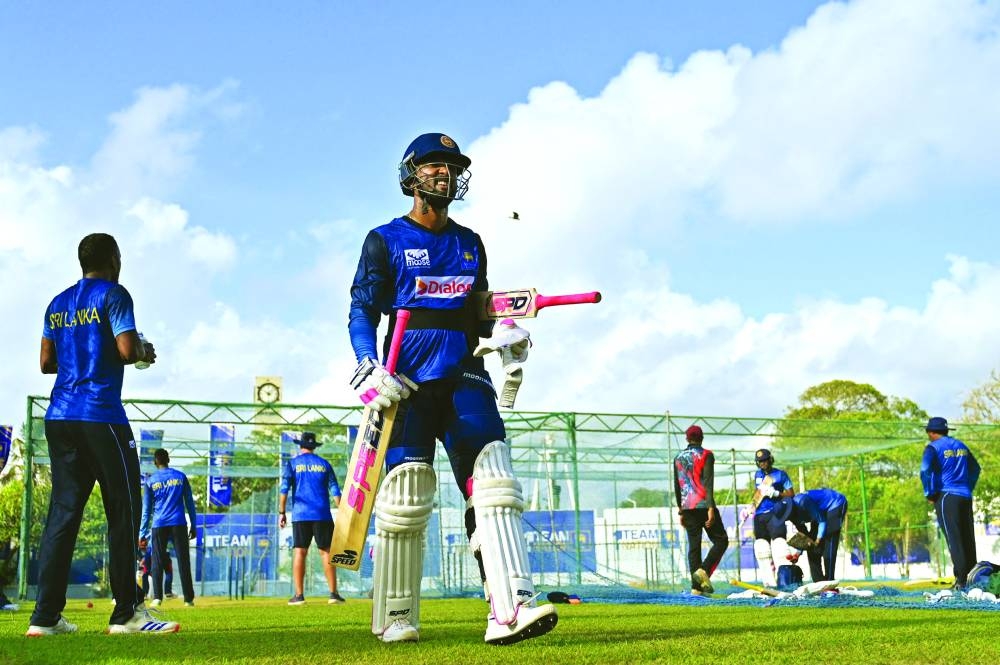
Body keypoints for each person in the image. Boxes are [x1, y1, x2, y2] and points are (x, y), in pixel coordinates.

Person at [347, 132, 556, 645]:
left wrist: (507, 330)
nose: (444, 173)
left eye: (451, 166)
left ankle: (510, 608)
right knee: (406, 492)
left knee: (494, 478)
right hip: (406, 380)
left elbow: (477, 312)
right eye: (434, 165)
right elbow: (361, 310)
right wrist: (367, 366)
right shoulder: (384, 239)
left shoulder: (469, 242)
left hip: (463, 371)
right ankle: (395, 615)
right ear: (410, 175)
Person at [28, 233, 179, 636]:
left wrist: (81, 348)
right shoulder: (115, 294)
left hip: (59, 417)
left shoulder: (56, 303)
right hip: (100, 415)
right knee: (124, 509)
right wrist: (144, 350)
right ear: (115, 259)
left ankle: (44, 618)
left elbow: (46, 362)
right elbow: (128, 350)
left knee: (62, 516)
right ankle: (127, 613)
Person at [278, 432, 345, 605]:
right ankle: (333, 594)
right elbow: (335, 491)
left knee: (300, 551)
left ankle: (299, 596)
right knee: (326, 552)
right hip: (322, 514)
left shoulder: (292, 464)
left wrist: (282, 512)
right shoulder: (324, 464)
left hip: (300, 515)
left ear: (300, 445)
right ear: (315, 446)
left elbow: (284, 489)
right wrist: (343, 512)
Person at [920, 416, 981, 589]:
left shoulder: (932, 448)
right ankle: (973, 579)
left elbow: (925, 470)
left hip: (947, 497)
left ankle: (961, 581)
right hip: (965, 496)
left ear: (931, 432)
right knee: (968, 538)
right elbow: (975, 469)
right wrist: (967, 487)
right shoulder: (961, 445)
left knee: (954, 538)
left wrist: (930, 493)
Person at [673, 425, 728, 594]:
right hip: (704, 505)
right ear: (702, 438)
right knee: (721, 541)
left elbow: (677, 486)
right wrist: (711, 507)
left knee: (694, 547)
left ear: (687, 438)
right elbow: (708, 482)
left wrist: (681, 510)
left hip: (688, 507)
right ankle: (703, 571)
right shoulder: (706, 455)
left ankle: (696, 589)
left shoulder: (678, 457)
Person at [140, 448, 197, 607]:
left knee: (157, 561)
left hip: (159, 524)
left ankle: (157, 597)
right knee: (183, 561)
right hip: (179, 523)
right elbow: (190, 503)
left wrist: (142, 533)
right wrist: (194, 524)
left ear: (155, 462)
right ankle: (188, 599)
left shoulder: (151, 481)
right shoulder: (180, 476)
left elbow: (146, 510)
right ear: (168, 460)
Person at [751, 448, 794, 587]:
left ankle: (784, 582)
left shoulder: (780, 475)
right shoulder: (757, 475)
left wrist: (777, 494)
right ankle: (769, 584)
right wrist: (750, 508)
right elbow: (757, 494)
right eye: (760, 462)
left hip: (775, 514)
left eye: (764, 460)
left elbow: (792, 494)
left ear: (770, 459)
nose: (762, 464)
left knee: (779, 545)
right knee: (761, 547)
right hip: (759, 516)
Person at [789, 488, 848, 582]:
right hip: (819, 512)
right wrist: (797, 553)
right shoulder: (789, 515)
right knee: (811, 547)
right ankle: (819, 582)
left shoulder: (803, 502)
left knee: (830, 539)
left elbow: (822, 521)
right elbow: (805, 536)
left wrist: (818, 539)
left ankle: (829, 581)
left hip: (835, 503)